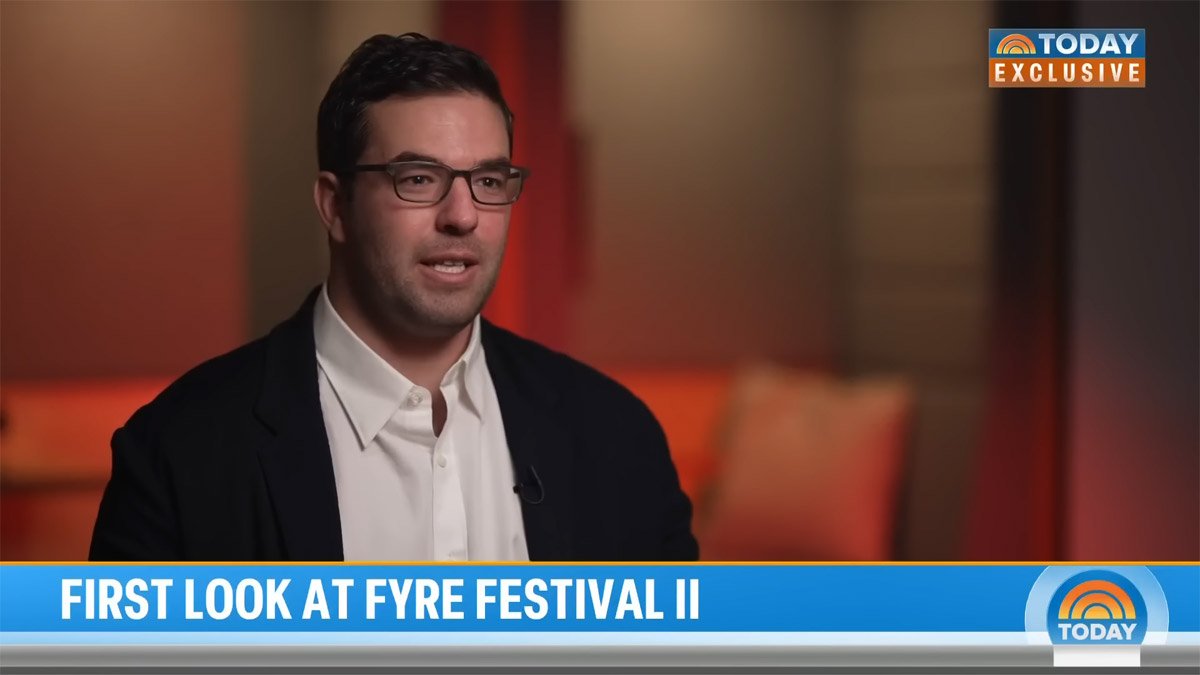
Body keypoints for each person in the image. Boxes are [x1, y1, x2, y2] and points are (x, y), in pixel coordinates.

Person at [89, 33, 698, 562]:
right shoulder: (177, 452)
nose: (463, 216)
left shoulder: (618, 435)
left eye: (488, 181)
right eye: (419, 179)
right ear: (335, 206)